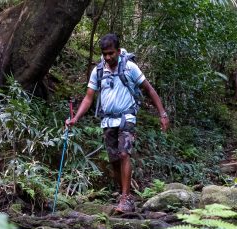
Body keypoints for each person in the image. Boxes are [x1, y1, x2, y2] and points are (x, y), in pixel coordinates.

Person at [66, 33, 169, 213]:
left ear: (118, 51)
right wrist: (76, 118)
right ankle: (122, 191)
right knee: (113, 159)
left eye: (111, 53)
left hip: (126, 117)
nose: (108, 57)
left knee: (123, 154)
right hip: (108, 120)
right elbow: (89, 98)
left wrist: (163, 114)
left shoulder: (130, 68)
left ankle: (126, 197)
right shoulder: (98, 71)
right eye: (105, 54)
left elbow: (149, 90)